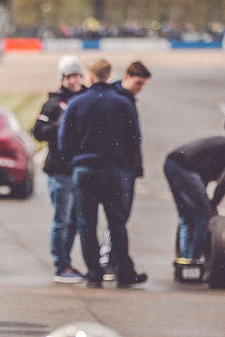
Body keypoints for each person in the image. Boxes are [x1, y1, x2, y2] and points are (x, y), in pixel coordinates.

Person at [58, 58, 146, 289]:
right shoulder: (122, 103)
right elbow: (135, 139)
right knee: (117, 223)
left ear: (90, 76)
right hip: (114, 171)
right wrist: (125, 164)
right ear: (108, 76)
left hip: (84, 170)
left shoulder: (77, 103)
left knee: (87, 224)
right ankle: (123, 272)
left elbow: (64, 140)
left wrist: (73, 162)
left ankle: (94, 273)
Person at [32, 55, 87, 283]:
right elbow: (37, 131)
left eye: (76, 75)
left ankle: (67, 263)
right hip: (59, 171)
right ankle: (60, 266)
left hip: (80, 170)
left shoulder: (87, 98)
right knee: (61, 220)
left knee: (75, 220)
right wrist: (58, 125)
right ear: (62, 78)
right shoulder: (54, 103)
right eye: (69, 76)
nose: (73, 80)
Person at [99, 61, 151, 278]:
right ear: (127, 76)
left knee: (120, 217)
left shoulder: (125, 98)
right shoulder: (116, 98)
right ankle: (108, 261)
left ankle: (115, 262)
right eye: (138, 83)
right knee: (118, 217)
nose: (139, 88)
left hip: (126, 167)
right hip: (118, 168)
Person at [164, 136, 225, 261]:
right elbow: (224, 182)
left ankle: (184, 260)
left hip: (172, 163)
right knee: (203, 216)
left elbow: (204, 178)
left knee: (187, 216)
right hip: (184, 167)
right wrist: (212, 205)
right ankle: (193, 261)